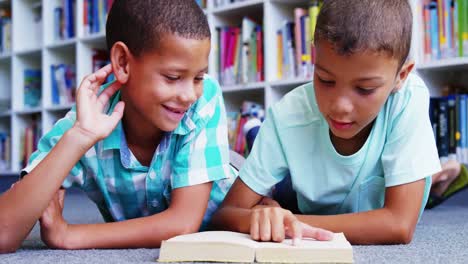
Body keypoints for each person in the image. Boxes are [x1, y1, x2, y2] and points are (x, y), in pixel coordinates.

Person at [0, 0, 235, 252]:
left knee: (269, 197)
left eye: (198, 77)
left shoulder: (204, 98)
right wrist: (80, 136)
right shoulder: (85, 121)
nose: (189, 94)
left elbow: (182, 224)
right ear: (122, 63)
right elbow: (4, 235)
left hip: (234, 200)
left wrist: (69, 235)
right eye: (173, 78)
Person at [211, 0, 441, 245]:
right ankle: (255, 132)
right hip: (304, 183)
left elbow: (399, 225)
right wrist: (260, 218)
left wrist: (291, 221)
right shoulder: (287, 115)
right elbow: (225, 214)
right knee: (280, 193)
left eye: (365, 89)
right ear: (314, 56)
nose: (340, 106)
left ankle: (255, 133)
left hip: (305, 196)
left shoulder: (409, 97)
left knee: (283, 198)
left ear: (401, 76)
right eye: (325, 80)